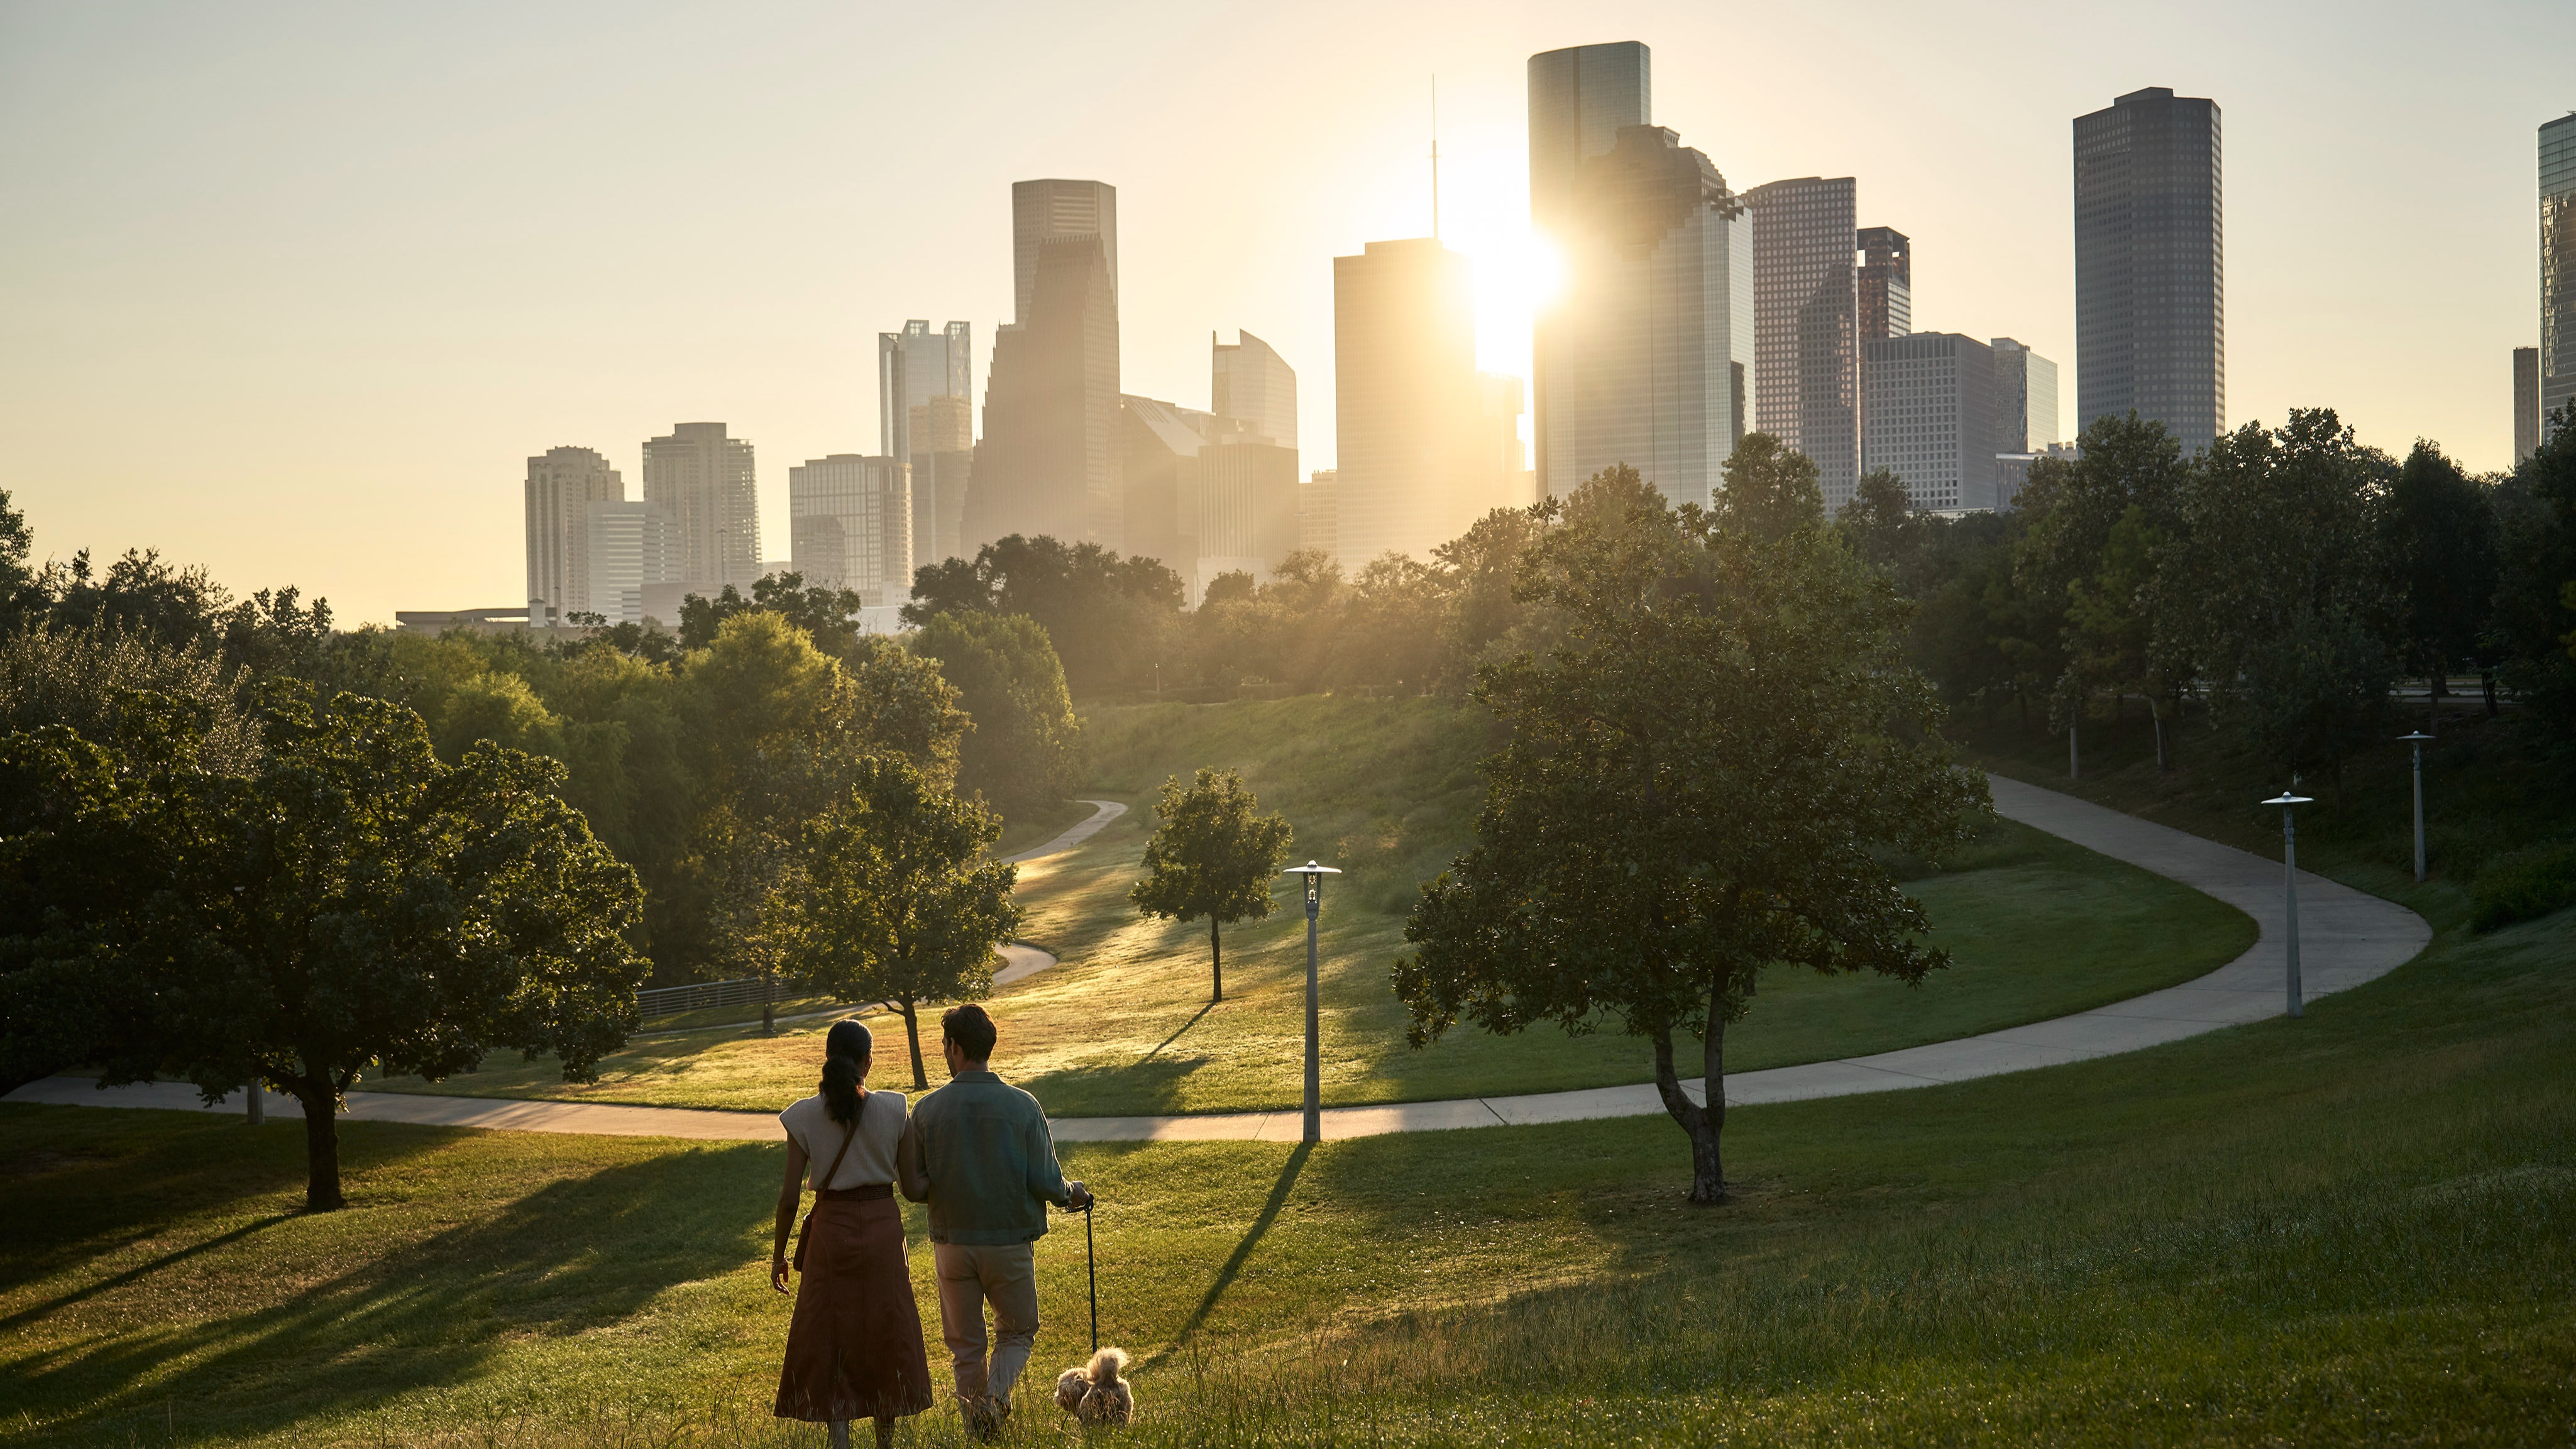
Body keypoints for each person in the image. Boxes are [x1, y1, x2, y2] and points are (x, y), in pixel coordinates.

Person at [898, 1003, 1091, 1440]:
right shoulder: (1023, 1105)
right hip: (1008, 1241)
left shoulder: (927, 1111)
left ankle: (977, 1427)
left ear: (957, 1047)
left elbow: (914, 1186)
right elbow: (1045, 1180)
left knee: (966, 1345)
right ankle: (995, 1399)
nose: (945, 1051)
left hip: (951, 1241)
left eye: (946, 1044)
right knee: (1019, 1330)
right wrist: (1071, 1193)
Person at [772, 1019, 934, 1448]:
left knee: (831, 1334)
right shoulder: (895, 1109)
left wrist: (778, 1256)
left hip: (830, 1235)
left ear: (827, 1058)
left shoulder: (801, 1116)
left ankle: (839, 1438)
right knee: (885, 1328)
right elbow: (914, 1188)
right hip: (882, 1229)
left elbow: (790, 1198)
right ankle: (885, 1440)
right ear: (868, 1060)